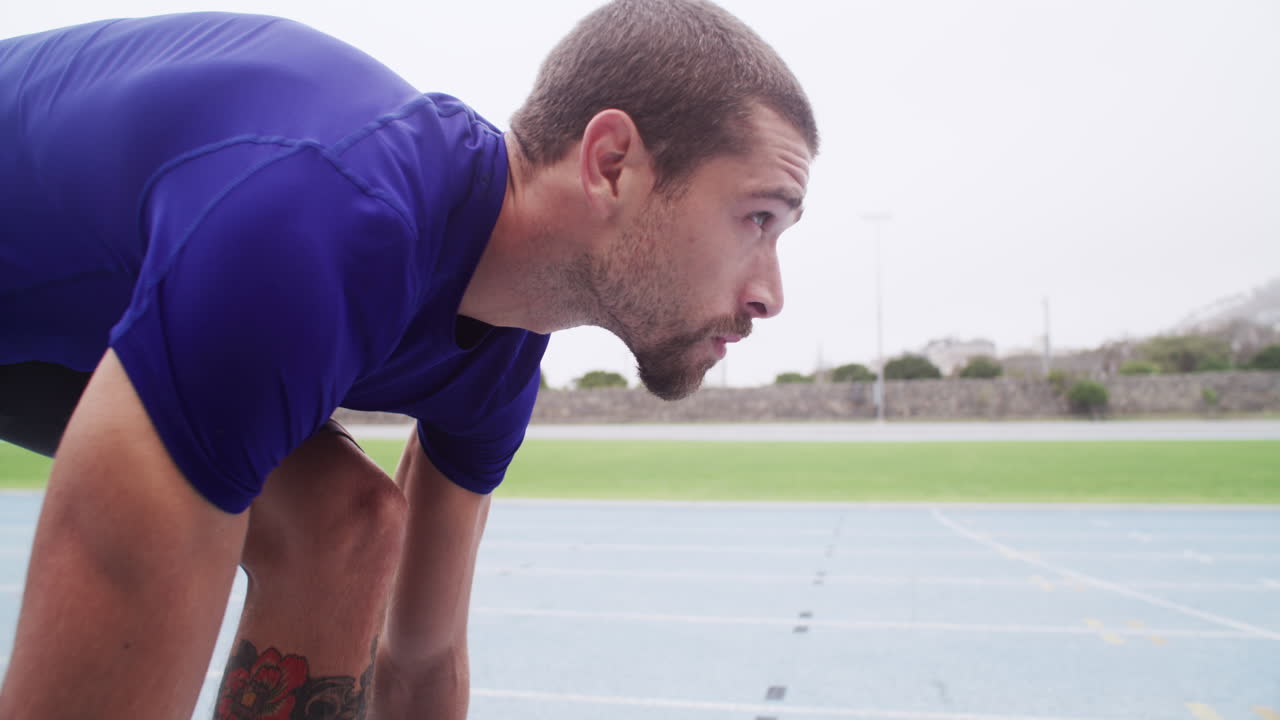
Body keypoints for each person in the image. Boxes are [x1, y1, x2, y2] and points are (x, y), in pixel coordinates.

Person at [0, 0, 818, 717]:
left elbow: (421, 659)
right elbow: (111, 578)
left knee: (348, 523)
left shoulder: (499, 359)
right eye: (758, 218)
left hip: (70, 326)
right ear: (612, 165)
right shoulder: (326, 224)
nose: (770, 294)